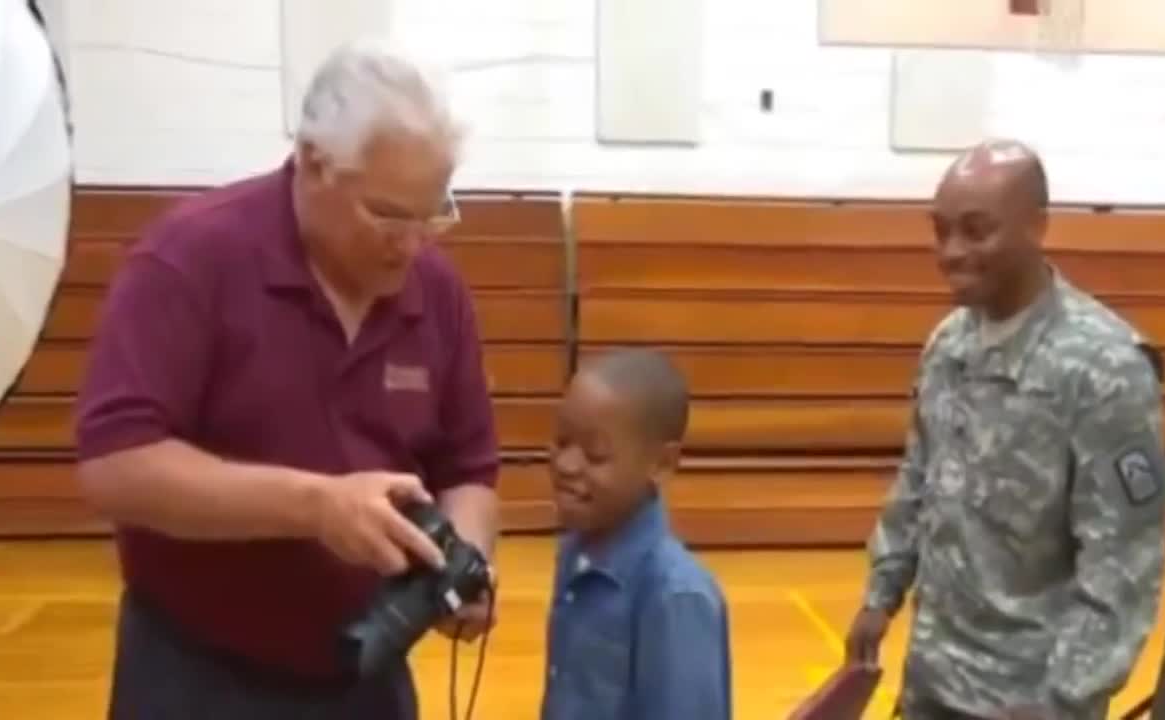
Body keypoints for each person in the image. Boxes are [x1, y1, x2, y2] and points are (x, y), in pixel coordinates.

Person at [73, 39, 500, 719]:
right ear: (312, 163)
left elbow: (467, 468)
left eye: (433, 214)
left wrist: (464, 563)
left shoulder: (439, 293)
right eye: (389, 215)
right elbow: (116, 465)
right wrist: (316, 506)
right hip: (197, 675)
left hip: (369, 670)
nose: (413, 244)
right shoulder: (189, 259)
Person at [844, 139, 1165, 720]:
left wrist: (1064, 698)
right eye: (941, 230)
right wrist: (881, 592)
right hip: (931, 683)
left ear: (1037, 226)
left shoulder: (1105, 368)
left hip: (1028, 700)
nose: (952, 251)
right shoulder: (949, 345)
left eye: (977, 231)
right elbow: (919, 481)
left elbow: (1123, 563)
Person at [539, 348, 732, 720]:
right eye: (562, 442)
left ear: (660, 464)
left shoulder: (676, 596)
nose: (565, 464)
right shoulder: (573, 553)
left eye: (595, 455)